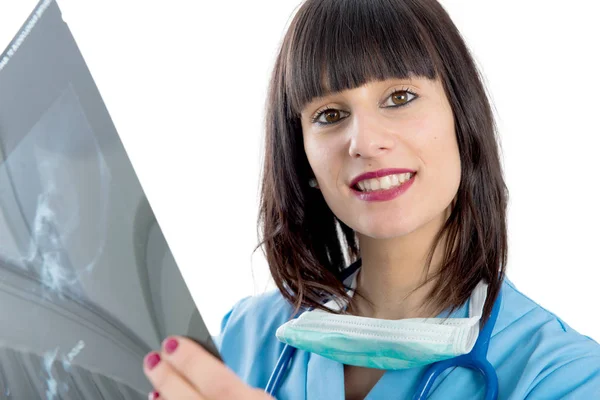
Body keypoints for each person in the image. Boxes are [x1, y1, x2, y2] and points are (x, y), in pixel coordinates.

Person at [141, 0, 600, 398]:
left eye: (400, 96)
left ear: (462, 118)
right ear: (304, 160)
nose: (364, 141)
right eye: (331, 114)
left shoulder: (563, 375)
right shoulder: (247, 339)